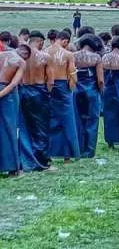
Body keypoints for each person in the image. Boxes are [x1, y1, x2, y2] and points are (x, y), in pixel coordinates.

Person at [18, 31, 52, 172]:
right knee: (41, 127)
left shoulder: (19, 55)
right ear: (41, 41)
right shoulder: (45, 56)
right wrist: (48, 94)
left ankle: (26, 159)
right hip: (39, 91)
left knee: (25, 126)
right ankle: (41, 160)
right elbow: (50, 81)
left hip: (23, 90)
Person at [47, 30, 80, 162]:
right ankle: (68, 154)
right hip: (63, 86)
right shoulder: (68, 54)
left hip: (49, 85)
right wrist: (72, 88)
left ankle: (50, 152)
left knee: (51, 118)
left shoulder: (45, 52)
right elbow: (73, 74)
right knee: (68, 120)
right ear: (65, 41)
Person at [73, 34, 104, 158]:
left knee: (78, 119)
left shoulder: (73, 56)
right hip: (91, 90)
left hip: (76, 89)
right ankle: (89, 150)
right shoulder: (96, 57)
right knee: (92, 120)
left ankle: (79, 148)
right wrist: (100, 91)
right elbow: (100, 79)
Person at [0, 47, 27, 176]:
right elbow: (13, 84)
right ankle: (14, 167)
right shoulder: (20, 61)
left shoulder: (2, 54)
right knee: (10, 129)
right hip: (7, 94)